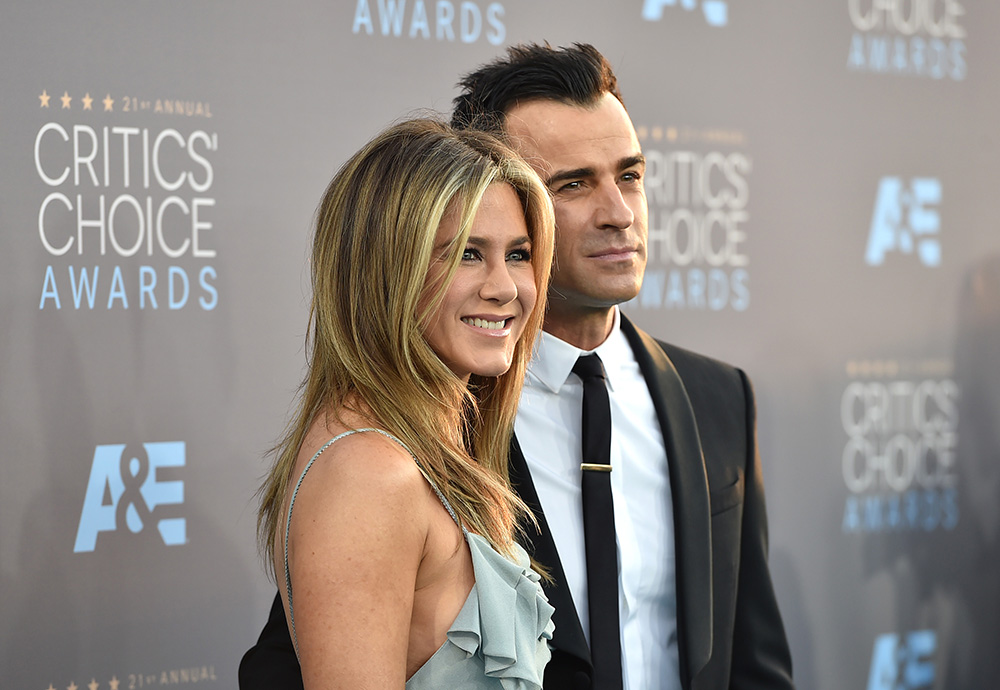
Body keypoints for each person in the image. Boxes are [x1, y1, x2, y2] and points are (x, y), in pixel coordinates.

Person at [241, 44, 795, 690]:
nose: (618, 212)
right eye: (575, 183)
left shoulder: (719, 399)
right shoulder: (395, 449)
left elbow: (752, 662)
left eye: (631, 175)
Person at [253, 118, 556, 688]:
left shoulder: (429, 448)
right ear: (386, 269)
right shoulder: (369, 473)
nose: (505, 287)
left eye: (518, 254)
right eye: (467, 254)